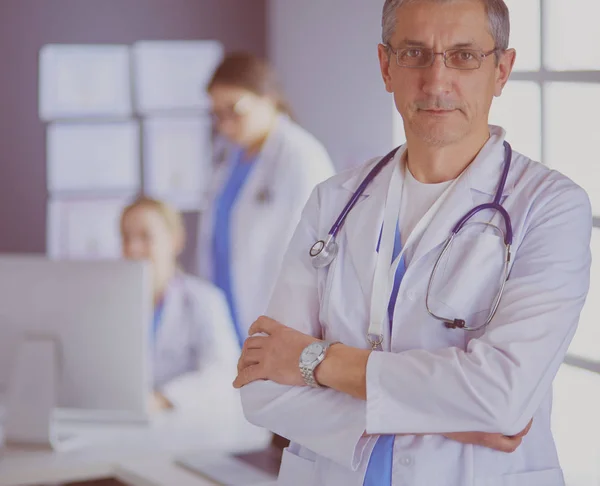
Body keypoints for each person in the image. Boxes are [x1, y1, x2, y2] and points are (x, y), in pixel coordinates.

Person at [232, 1, 592, 485]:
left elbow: (502, 397)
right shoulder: (332, 202)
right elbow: (261, 385)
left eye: (464, 56)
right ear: (386, 66)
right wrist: (454, 418)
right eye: (415, 54)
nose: (437, 81)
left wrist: (313, 360)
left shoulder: (551, 206)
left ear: (501, 70)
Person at [197, 52, 336, 349]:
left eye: (234, 110)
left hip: (280, 321)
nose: (225, 125)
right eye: (217, 114)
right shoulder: (227, 156)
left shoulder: (300, 158)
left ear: (268, 98)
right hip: (227, 310)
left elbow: (312, 257)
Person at [120, 196, 239, 412]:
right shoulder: (112, 306)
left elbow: (224, 373)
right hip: (127, 424)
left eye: (145, 237)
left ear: (175, 240)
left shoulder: (205, 300)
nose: (133, 249)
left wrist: (163, 398)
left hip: (189, 427)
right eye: (127, 238)